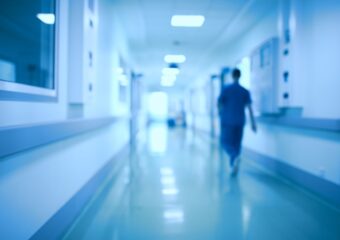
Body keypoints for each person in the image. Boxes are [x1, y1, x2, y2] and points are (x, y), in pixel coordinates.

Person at [218, 68, 257, 176]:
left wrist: (220, 115)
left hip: (227, 121)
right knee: (237, 144)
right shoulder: (245, 91)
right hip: (240, 121)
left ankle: (234, 157)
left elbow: (220, 103)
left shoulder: (226, 89)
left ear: (232, 76)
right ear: (240, 76)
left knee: (224, 142)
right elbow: (249, 108)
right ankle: (233, 166)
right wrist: (253, 123)